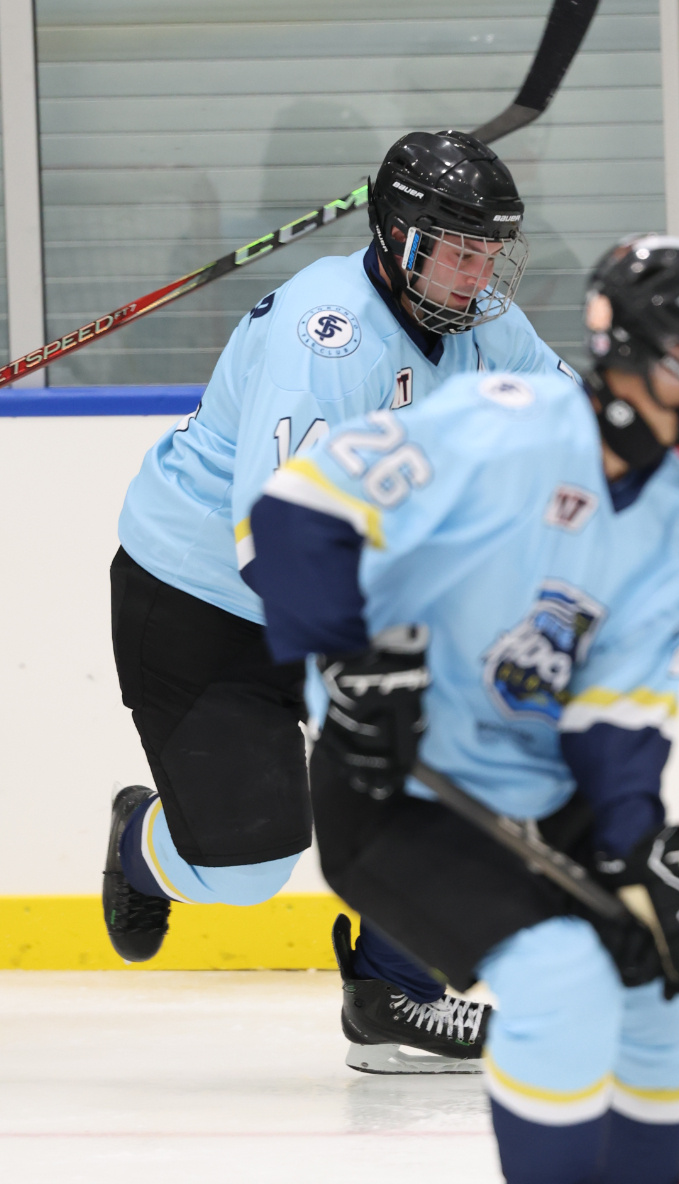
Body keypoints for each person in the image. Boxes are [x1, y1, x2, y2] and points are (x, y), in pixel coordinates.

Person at [246, 233, 679, 1184]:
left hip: (543, 789)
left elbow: (620, 712)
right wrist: (351, 660)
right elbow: (296, 512)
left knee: (668, 979)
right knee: (558, 978)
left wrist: (634, 844)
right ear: (641, 357)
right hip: (396, 786)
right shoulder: (501, 423)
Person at [103, 129, 574, 1072]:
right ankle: (139, 847)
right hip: (201, 599)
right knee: (244, 870)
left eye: (488, 252)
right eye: (456, 250)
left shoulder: (480, 321)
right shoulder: (327, 337)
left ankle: (393, 991)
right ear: (398, 237)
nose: (477, 275)